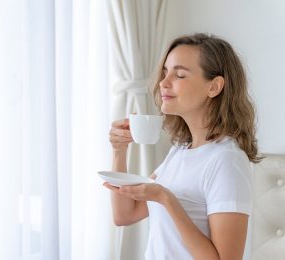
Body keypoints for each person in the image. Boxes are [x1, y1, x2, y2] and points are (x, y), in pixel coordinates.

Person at [104, 33, 262, 260]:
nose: (163, 82)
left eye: (179, 75)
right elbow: (124, 215)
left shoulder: (227, 161)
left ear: (214, 87)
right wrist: (119, 150)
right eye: (165, 73)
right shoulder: (181, 151)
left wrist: (166, 199)